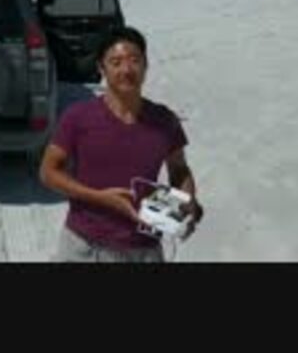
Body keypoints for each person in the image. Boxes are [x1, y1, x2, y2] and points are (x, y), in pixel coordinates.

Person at [40, 26, 203, 262]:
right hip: (84, 247)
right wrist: (99, 197)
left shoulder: (165, 120)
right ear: (101, 68)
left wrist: (188, 199)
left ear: (146, 65)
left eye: (134, 60)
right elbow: (48, 172)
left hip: (144, 248)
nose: (126, 70)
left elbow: (179, 168)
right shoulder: (78, 117)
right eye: (115, 62)